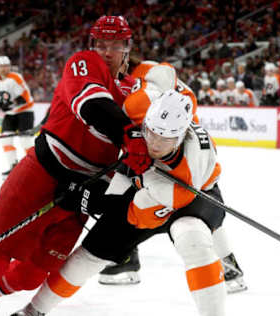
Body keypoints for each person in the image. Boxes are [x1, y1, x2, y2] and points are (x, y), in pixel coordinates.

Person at [0, 15, 144, 316]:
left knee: (32, 276)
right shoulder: (83, 62)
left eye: (115, 46)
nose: (107, 52)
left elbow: (141, 151)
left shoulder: (136, 90)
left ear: (127, 49)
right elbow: (93, 106)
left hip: (83, 189)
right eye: (101, 44)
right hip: (42, 171)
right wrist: (129, 133)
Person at [12, 90, 227, 316]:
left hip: (194, 196)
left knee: (191, 238)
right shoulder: (140, 108)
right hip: (147, 190)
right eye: (150, 132)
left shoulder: (192, 163)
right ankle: (33, 310)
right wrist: (89, 191)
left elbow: (147, 207)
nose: (153, 143)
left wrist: (99, 200)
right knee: (90, 253)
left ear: (181, 136)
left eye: (165, 138)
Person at [98, 61, 246, 295]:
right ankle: (125, 255)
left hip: (176, 145)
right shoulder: (127, 80)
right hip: (149, 142)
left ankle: (228, 264)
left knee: (199, 201)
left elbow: (186, 104)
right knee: (125, 198)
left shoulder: (146, 76)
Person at [0, 56, 35, 178]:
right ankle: (13, 166)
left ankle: (35, 167)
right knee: (5, 139)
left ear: (10, 66)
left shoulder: (16, 77)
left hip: (25, 112)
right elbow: (5, 97)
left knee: (25, 142)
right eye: (0, 66)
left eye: (5, 66)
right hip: (11, 114)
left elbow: (25, 96)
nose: (3, 69)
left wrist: (11, 105)